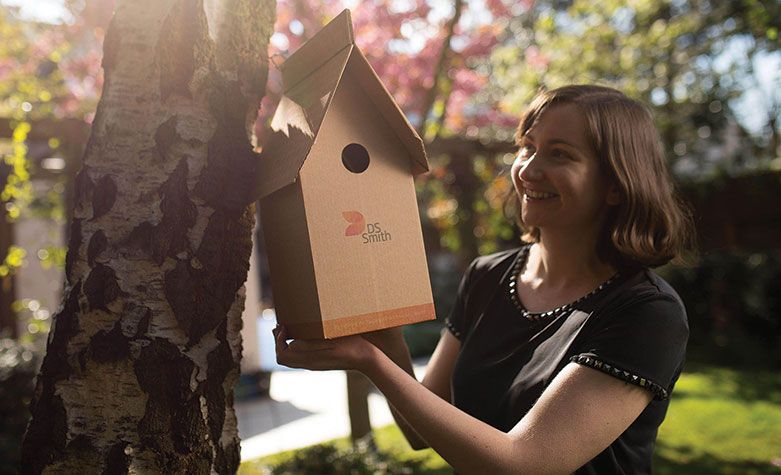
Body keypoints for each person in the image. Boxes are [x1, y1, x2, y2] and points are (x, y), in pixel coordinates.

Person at [274, 85, 695, 474]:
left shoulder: (646, 312)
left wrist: (373, 366)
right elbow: (421, 429)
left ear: (617, 184)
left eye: (560, 154)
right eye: (528, 147)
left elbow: (524, 465)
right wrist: (382, 341)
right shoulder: (488, 276)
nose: (528, 170)